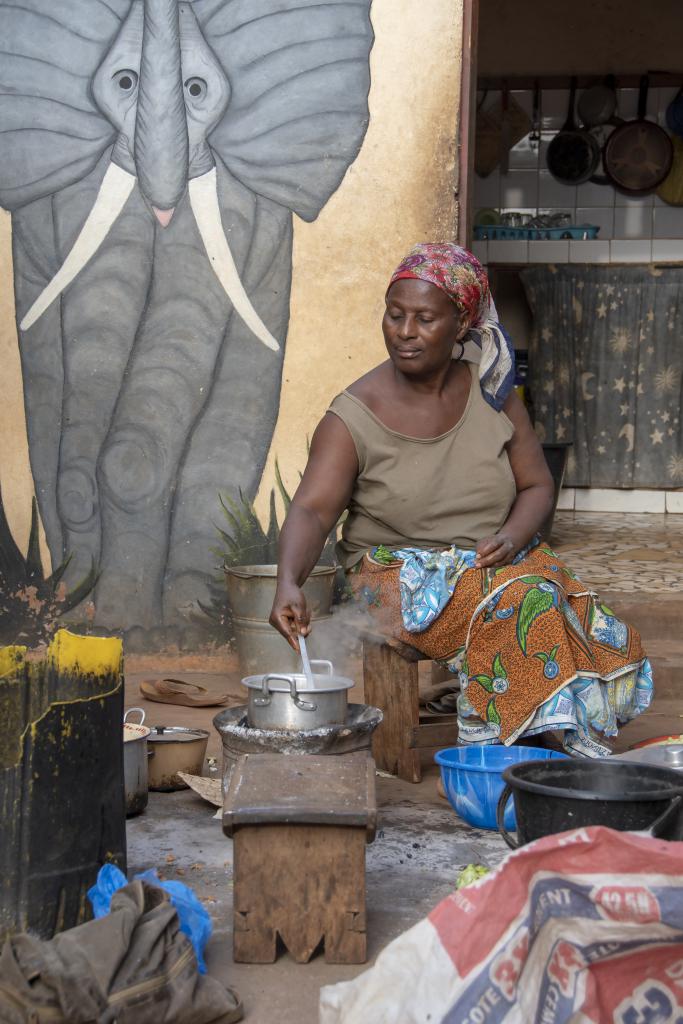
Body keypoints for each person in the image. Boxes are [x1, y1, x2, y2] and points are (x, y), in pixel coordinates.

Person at [269, 242, 653, 756]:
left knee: (565, 599)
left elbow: (538, 485)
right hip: (389, 576)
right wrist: (288, 579)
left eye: (425, 318)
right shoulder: (352, 416)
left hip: (491, 560)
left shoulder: (493, 393)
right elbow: (313, 510)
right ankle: (519, 747)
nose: (404, 332)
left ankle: (548, 732)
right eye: (395, 315)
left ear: (461, 324)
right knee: (523, 599)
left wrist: (514, 536)